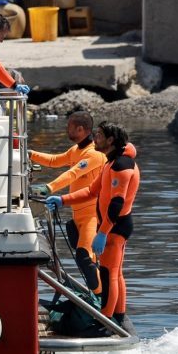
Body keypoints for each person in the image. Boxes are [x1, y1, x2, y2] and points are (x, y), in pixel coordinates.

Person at [46, 122, 138, 325]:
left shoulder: (122, 166)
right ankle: (118, 315)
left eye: (99, 135)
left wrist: (103, 233)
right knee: (115, 272)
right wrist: (63, 200)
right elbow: (90, 191)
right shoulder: (109, 163)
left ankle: (105, 320)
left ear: (111, 140)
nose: (94, 138)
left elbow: (117, 203)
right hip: (109, 226)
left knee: (109, 274)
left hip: (115, 227)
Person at [28, 111, 105, 292]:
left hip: (91, 215)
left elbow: (72, 174)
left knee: (86, 257)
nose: (66, 129)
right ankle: (98, 295)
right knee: (84, 260)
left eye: (69, 126)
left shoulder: (94, 154)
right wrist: (30, 153)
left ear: (80, 129)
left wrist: (49, 188)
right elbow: (55, 161)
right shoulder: (76, 150)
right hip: (77, 214)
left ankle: (102, 300)